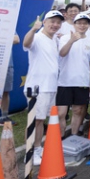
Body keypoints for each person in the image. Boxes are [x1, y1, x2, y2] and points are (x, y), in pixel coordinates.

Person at [21, 10, 64, 163]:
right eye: (52, 21)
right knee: (36, 120)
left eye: (58, 22)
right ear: (44, 22)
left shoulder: (54, 39)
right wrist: (33, 29)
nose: (55, 25)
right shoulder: (37, 37)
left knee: (41, 120)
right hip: (38, 87)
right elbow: (26, 44)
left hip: (50, 87)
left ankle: (38, 148)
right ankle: (32, 152)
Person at [56, 12, 90, 137]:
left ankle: (73, 136)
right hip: (64, 81)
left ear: (88, 25)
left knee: (78, 111)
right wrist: (72, 41)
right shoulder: (64, 38)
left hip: (82, 81)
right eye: (79, 23)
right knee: (61, 113)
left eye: (85, 23)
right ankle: (60, 138)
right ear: (74, 24)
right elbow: (62, 53)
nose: (82, 26)